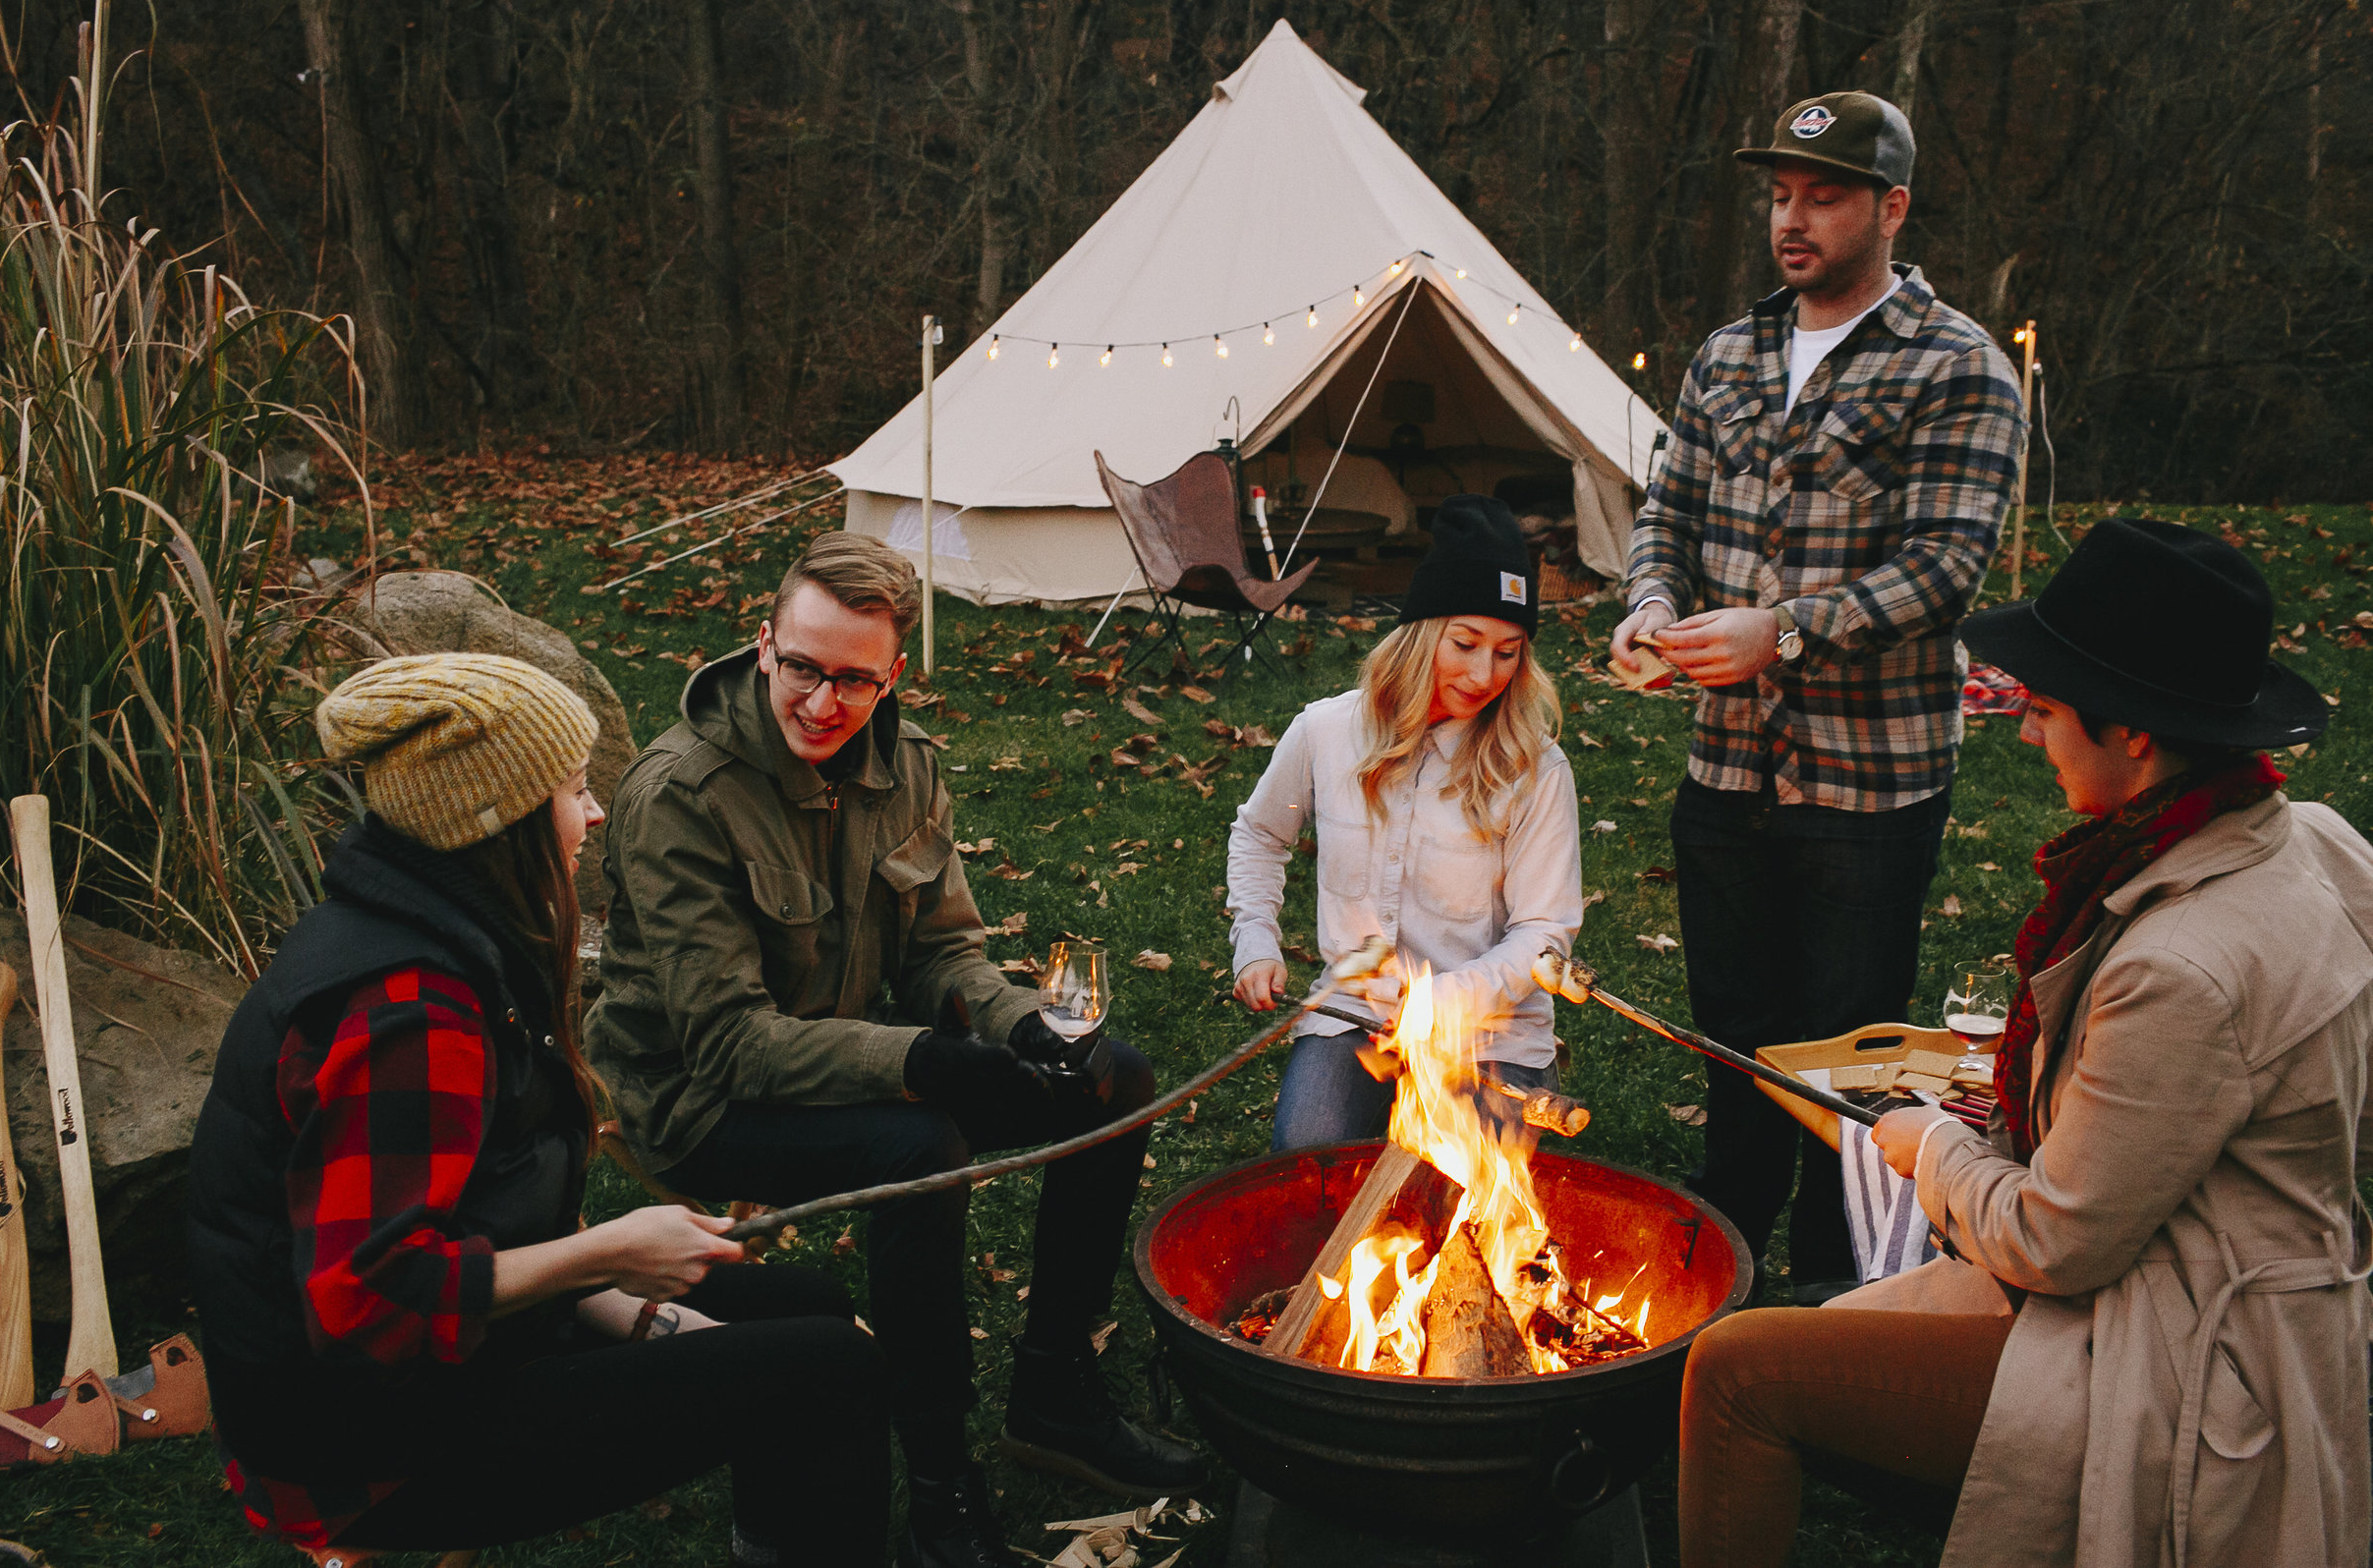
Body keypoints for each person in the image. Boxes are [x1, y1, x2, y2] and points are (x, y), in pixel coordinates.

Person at [1676, 519, 2370, 1568]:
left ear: (2133, 730)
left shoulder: (2179, 962)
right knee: (1842, 1313)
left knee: (1734, 1364)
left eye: (2041, 710)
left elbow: (2056, 1241)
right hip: (2260, 1284)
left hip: (2177, 1349)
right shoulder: (2309, 833)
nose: (2026, 735)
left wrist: (1929, 1144)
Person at [587, 532, 1206, 1568]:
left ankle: (1053, 1390)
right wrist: (921, 1060)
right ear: (764, 641)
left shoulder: (904, 763)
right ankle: (937, 1475)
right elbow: (728, 1042)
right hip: (697, 1100)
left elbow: (943, 951)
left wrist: (1013, 1022)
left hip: (845, 1052)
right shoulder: (681, 795)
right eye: (802, 668)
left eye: (855, 679)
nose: (825, 702)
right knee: (914, 1146)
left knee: (1116, 1079)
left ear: (894, 673)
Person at [188, 654, 889, 1567]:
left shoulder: (439, 925)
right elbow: (369, 1301)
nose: (594, 812)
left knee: (810, 1306)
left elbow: (483, 1200)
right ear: (499, 822)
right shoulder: (409, 1011)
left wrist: (618, 1304)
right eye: (571, 789)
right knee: (831, 1370)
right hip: (360, 1445)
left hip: (444, 1354)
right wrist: (607, 1256)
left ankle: (776, 1540)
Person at [1610, 90, 2027, 1301]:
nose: (1793, 218)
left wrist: (1781, 631)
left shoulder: (1958, 367)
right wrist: (1648, 604)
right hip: (1724, 773)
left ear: (1889, 208)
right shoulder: (1727, 353)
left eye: (1825, 195)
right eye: (1782, 193)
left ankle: (1843, 1301)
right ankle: (1717, 1284)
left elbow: (1944, 569)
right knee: (1733, 1040)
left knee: (1845, 1063)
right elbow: (1666, 513)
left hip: (1868, 780)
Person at [1229, 494, 1583, 1148]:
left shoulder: (1537, 769)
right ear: (1422, 630)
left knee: (1468, 1219)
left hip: (1490, 1030)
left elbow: (1545, 933)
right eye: (1466, 643)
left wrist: (1442, 1002)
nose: (1484, 674)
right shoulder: (1327, 731)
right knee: (1308, 1165)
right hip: (1354, 1014)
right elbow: (1260, 834)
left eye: (1508, 652)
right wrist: (1256, 937)